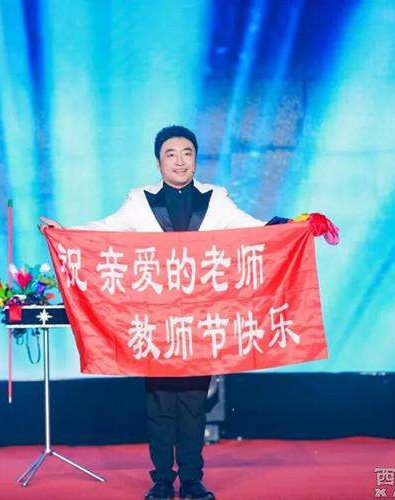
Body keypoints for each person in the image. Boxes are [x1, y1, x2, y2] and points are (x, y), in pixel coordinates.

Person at [39, 125, 279, 500]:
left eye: (187, 153)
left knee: (194, 403)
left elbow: (254, 230)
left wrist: (291, 227)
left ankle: (193, 480)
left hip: (198, 317)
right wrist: (65, 233)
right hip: (156, 318)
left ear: (196, 159)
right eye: (171, 154)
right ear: (158, 163)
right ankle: (163, 480)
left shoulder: (216, 199)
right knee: (160, 402)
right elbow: (107, 230)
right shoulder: (141, 200)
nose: (179, 161)